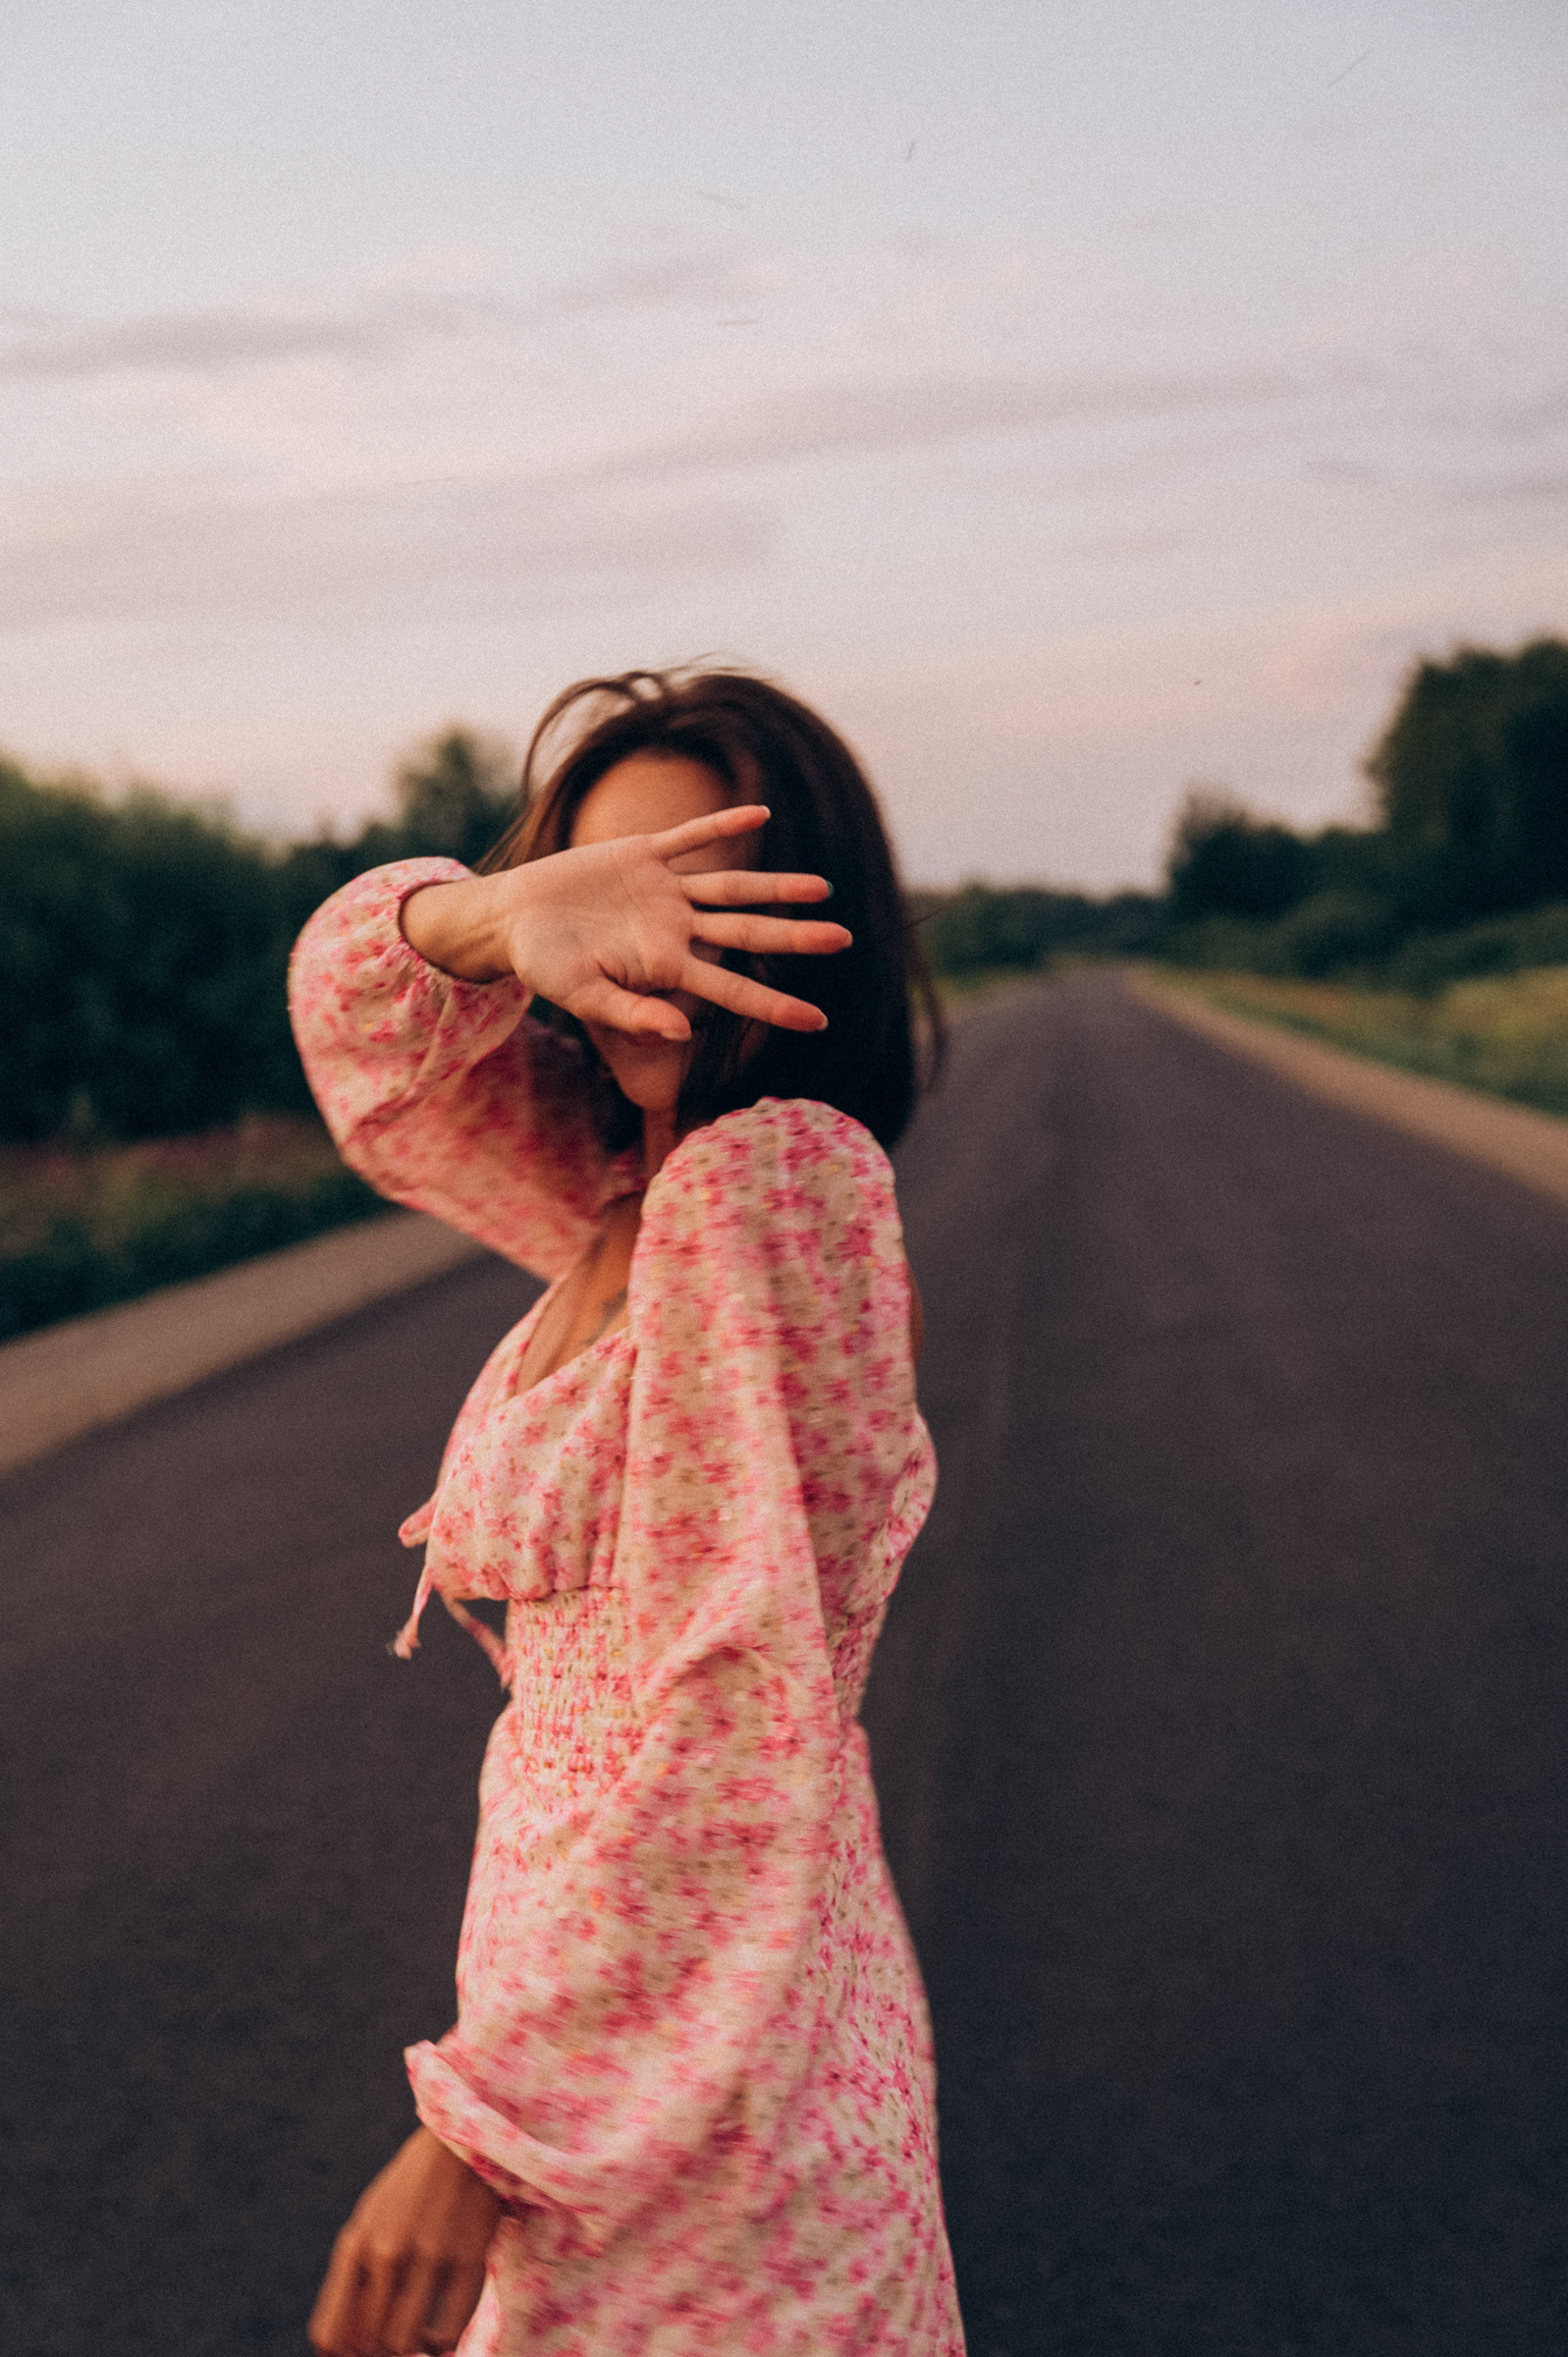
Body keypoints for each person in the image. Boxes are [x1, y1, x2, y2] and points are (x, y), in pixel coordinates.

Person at [290, 667, 964, 2355]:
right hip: (619, 2025)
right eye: (602, 892)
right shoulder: (620, 1187)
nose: (637, 945)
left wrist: (479, 2128)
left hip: (700, 2080)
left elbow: (730, 1714)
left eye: (693, 887)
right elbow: (362, 1055)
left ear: (819, 917)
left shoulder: (771, 1186)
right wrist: (487, 914)